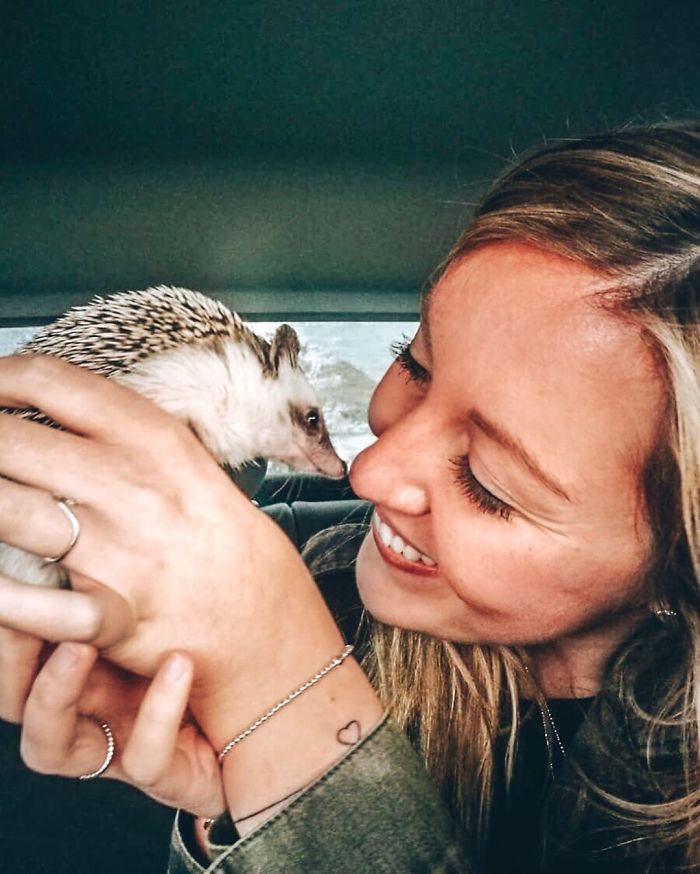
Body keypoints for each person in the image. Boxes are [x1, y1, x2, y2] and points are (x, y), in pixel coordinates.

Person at [0, 123, 698, 873]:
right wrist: (234, 807)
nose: (365, 477)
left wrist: (295, 729)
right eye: (416, 363)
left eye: (488, 484)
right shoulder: (327, 590)